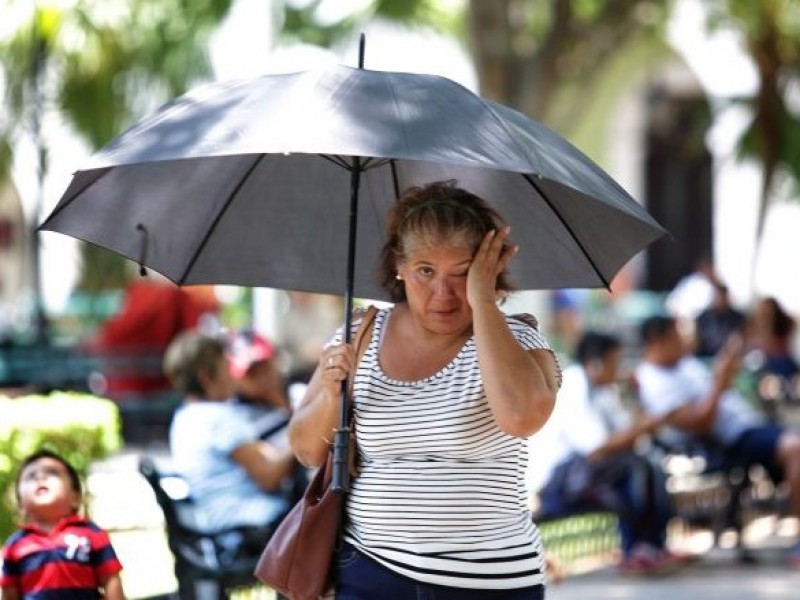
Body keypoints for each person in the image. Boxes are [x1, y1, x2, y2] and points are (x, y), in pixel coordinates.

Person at [288, 181, 561, 598]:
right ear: (400, 266)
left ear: (486, 270)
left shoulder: (516, 340)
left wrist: (484, 303)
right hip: (370, 573)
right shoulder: (358, 335)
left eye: (462, 274)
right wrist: (329, 391)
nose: (443, 294)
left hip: (490, 584)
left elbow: (523, 418)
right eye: (426, 271)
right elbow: (306, 449)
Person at [635, 314, 800, 567]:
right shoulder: (653, 380)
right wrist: (720, 381)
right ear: (658, 342)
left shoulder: (685, 364)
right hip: (727, 440)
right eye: (677, 335)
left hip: (749, 426)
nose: (684, 341)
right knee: (795, 449)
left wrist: (727, 369)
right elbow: (700, 422)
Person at [532, 331, 682, 575]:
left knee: (649, 464)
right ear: (596, 363)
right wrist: (642, 427)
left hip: (591, 473)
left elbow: (629, 440)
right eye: (615, 362)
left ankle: (652, 546)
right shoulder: (574, 385)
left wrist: (636, 399)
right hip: (560, 480)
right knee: (636, 469)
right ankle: (639, 548)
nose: (618, 370)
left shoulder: (604, 391)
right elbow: (596, 448)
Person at [162, 331, 295, 547]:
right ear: (206, 377)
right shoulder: (220, 418)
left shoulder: (185, 417)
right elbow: (270, 477)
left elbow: (259, 456)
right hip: (244, 524)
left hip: (214, 520)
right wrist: (302, 441)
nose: (232, 375)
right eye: (226, 366)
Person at [0, 449, 125, 600]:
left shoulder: (92, 534)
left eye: (52, 472)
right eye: (31, 476)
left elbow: (110, 579)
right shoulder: (15, 545)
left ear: (75, 498)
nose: (40, 477)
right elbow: (9, 593)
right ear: (21, 506)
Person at [693, 281, 747, 359]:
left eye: (722, 296)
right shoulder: (703, 318)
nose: (720, 300)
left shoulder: (737, 318)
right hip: (705, 357)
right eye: (717, 296)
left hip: (729, 358)